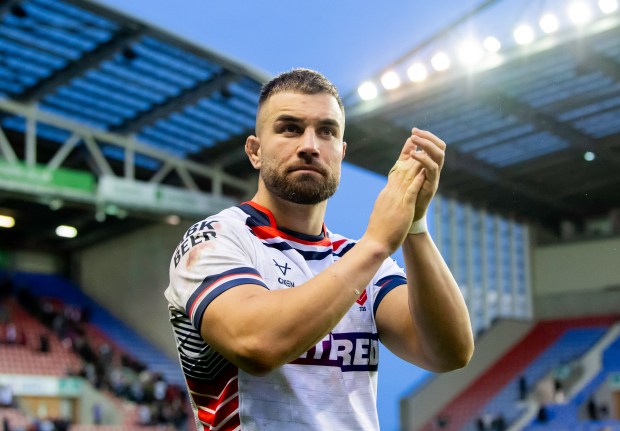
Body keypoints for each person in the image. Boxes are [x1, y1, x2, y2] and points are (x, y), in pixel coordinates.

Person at [165, 68, 474, 430]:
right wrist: (376, 244)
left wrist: (415, 226)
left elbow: (449, 352)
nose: (310, 145)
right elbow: (256, 344)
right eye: (289, 128)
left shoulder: (359, 258)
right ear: (255, 151)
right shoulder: (216, 238)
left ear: (341, 152)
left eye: (326, 131)